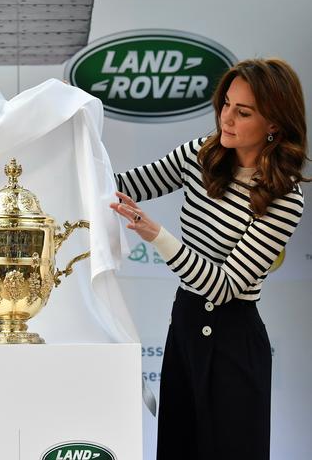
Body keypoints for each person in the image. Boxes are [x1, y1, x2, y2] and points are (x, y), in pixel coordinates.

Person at [110, 58, 308, 459]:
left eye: (243, 111)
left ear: (274, 124)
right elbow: (121, 186)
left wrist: (157, 236)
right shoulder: (199, 155)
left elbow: (224, 284)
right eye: (225, 104)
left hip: (235, 339)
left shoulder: (285, 198)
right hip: (184, 324)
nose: (226, 118)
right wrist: (73, 146)